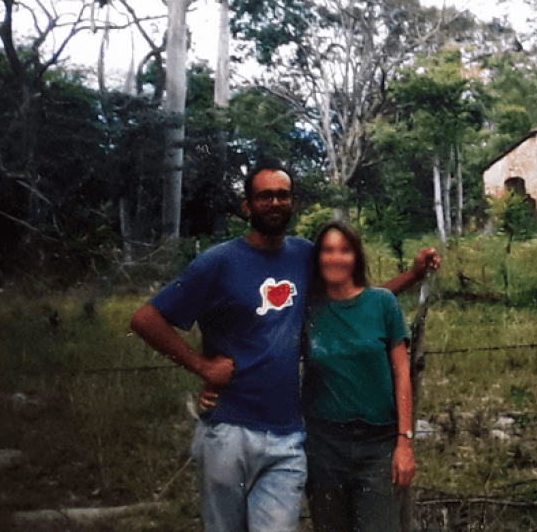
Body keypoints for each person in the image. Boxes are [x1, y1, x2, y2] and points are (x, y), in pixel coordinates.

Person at [130, 158, 438, 532]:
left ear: (292, 202)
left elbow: (355, 303)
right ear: (247, 206)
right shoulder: (218, 262)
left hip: (289, 436)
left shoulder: (303, 255)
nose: (275, 203)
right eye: (264, 196)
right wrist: (203, 367)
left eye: (282, 195)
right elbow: (145, 319)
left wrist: (414, 275)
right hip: (230, 428)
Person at [299, 221, 416, 532]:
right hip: (324, 445)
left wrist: (404, 442)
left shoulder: (382, 303)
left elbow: (402, 373)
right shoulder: (307, 310)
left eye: (344, 250)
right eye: (327, 250)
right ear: (317, 257)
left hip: (378, 444)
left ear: (356, 257)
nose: (335, 258)